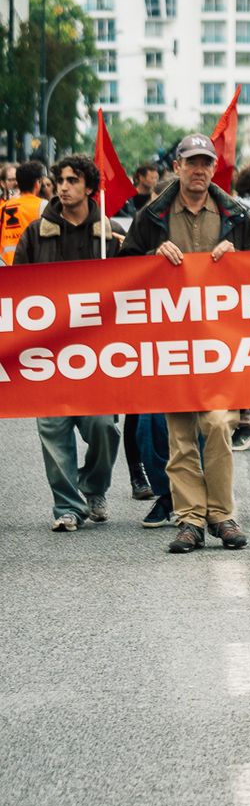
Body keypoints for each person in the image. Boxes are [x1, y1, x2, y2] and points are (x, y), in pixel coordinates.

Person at [118, 134, 250, 554]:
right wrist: (152, 257)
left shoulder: (235, 215)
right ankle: (189, 520)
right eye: (191, 162)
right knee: (179, 434)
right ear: (177, 167)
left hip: (220, 341)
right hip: (173, 341)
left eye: (205, 163)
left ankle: (221, 514)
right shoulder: (153, 215)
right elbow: (125, 267)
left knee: (217, 424)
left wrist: (238, 254)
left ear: (214, 169)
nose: (198, 170)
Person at [18, 155, 122, 532]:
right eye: (59, 180)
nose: (62, 186)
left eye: (72, 180)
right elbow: (17, 293)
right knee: (53, 429)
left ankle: (94, 488)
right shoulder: (34, 233)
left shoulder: (111, 236)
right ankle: (67, 507)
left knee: (103, 427)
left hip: (98, 354)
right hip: (48, 353)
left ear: (90, 187)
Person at [1, 159, 51, 263]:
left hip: (5, 266)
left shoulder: (3, 207)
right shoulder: (43, 206)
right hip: (29, 267)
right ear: (37, 183)